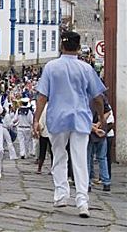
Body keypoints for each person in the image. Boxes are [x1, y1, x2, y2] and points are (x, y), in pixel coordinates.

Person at [33, 31, 107, 218]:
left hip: (57, 117)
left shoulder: (51, 67)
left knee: (59, 155)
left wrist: (36, 119)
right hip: (80, 118)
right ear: (78, 46)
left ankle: (61, 194)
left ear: (61, 45)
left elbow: (42, 96)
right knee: (80, 159)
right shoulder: (86, 68)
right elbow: (98, 97)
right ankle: (82, 201)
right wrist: (101, 118)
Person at [87, 99, 111, 191]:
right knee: (102, 158)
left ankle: (87, 183)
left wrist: (94, 126)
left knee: (88, 158)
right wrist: (100, 123)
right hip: (101, 130)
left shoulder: (84, 95)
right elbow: (108, 112)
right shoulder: (101, 96)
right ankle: (106, 182)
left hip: (89, 131)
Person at [35, 105, 53, 174]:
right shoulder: (54, 107)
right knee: (53, 153)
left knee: (42, 151)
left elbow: (41, 121)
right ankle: (52, 169)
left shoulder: (44, 108)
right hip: (53, 133)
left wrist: (39, 130)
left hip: (44, 133)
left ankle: (39, 168)